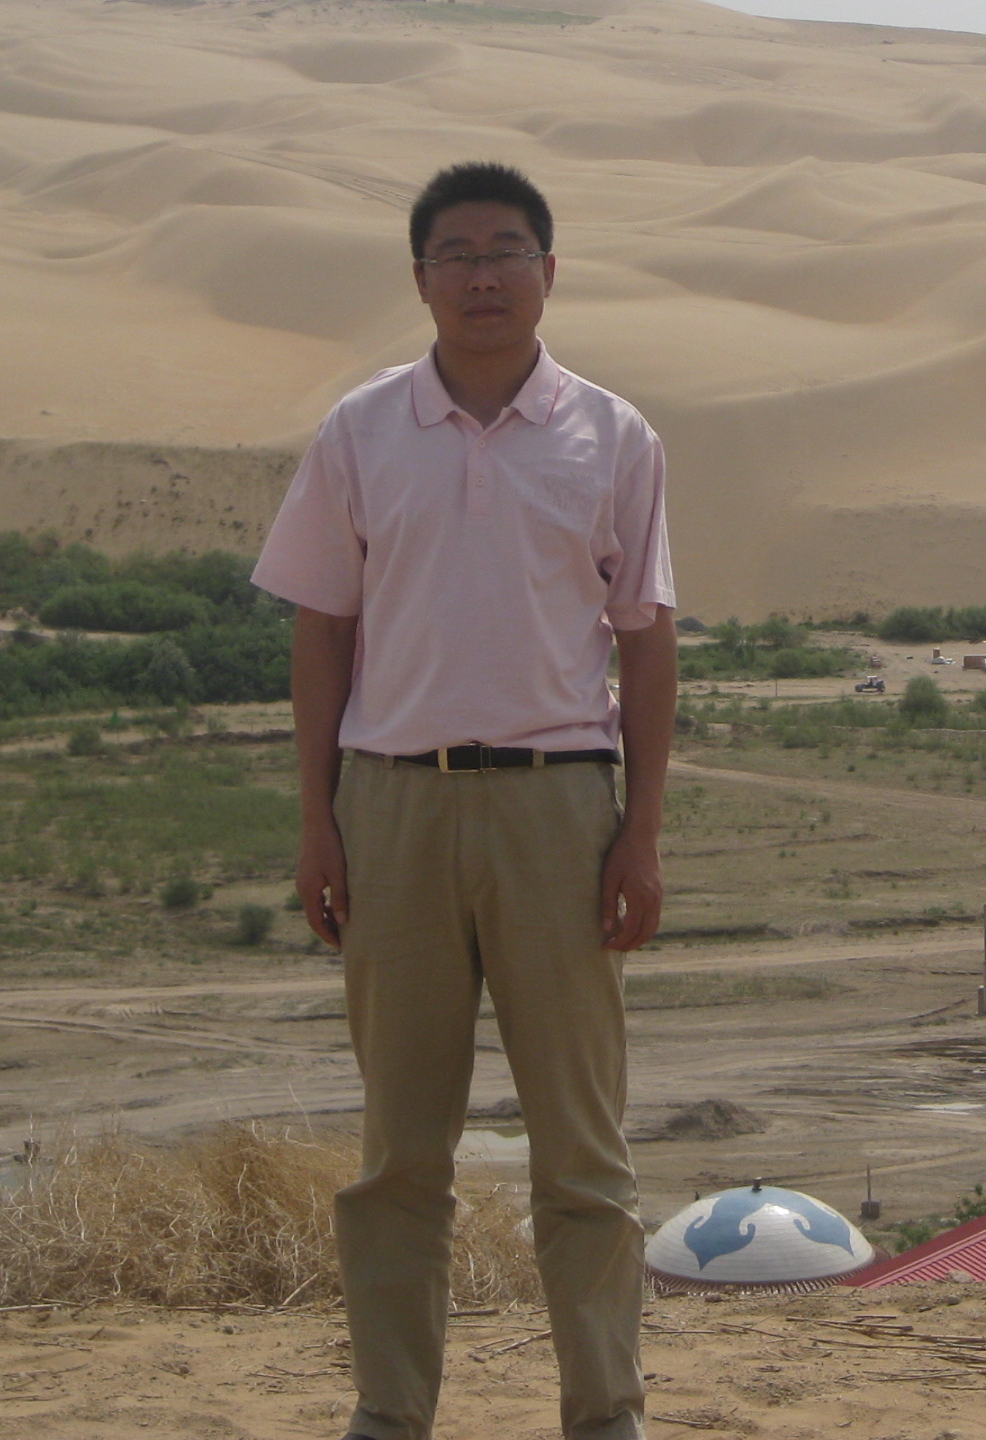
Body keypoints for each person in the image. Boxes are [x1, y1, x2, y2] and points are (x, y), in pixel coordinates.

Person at [253, 160, 675, 1440]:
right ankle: (389, 1416)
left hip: (560, 810)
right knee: (398, 1157)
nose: (483, 276)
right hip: (394, 806)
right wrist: (318, 819)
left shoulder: (615, 435)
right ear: (421, 278)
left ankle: (606, 1414)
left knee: (584, 1155)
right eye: (457, 254)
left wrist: (643, 833)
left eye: (506, 251)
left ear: (549, 270)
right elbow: (323, 629)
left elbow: (646, 639)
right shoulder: (360, 430)